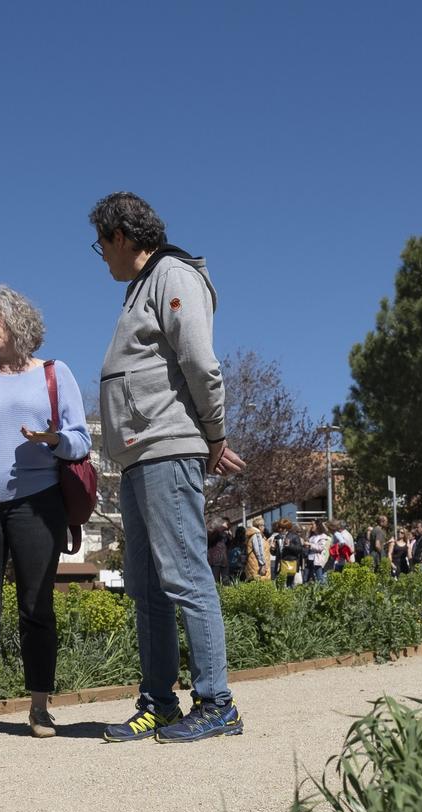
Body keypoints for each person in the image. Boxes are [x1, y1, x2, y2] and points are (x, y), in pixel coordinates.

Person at [90, 191, 244, 743]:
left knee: (183, 576)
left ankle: (216, 702)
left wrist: (213, 433)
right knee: (147, 586)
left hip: (166, 447)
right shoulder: (140, 287)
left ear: (122, 237)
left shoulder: (173, 275)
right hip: (138, 456)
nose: (100, 255)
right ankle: (159, 702)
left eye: (100, 244)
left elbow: (200, 362)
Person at [0, 285, 91, 745]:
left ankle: (39, 707)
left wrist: (52, 440)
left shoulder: (53, 372)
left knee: (36, 607)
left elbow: (81, 440)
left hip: (37, 502)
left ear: (16, 319)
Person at [243, 517, 272, 582]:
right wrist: (263, 564)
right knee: (260, 584)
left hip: (254, 564)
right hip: (258, 566)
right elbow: (259, 551)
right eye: (263, 525)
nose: (264, 527)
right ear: (259, 526)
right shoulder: (257, 535)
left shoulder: (253, 535)